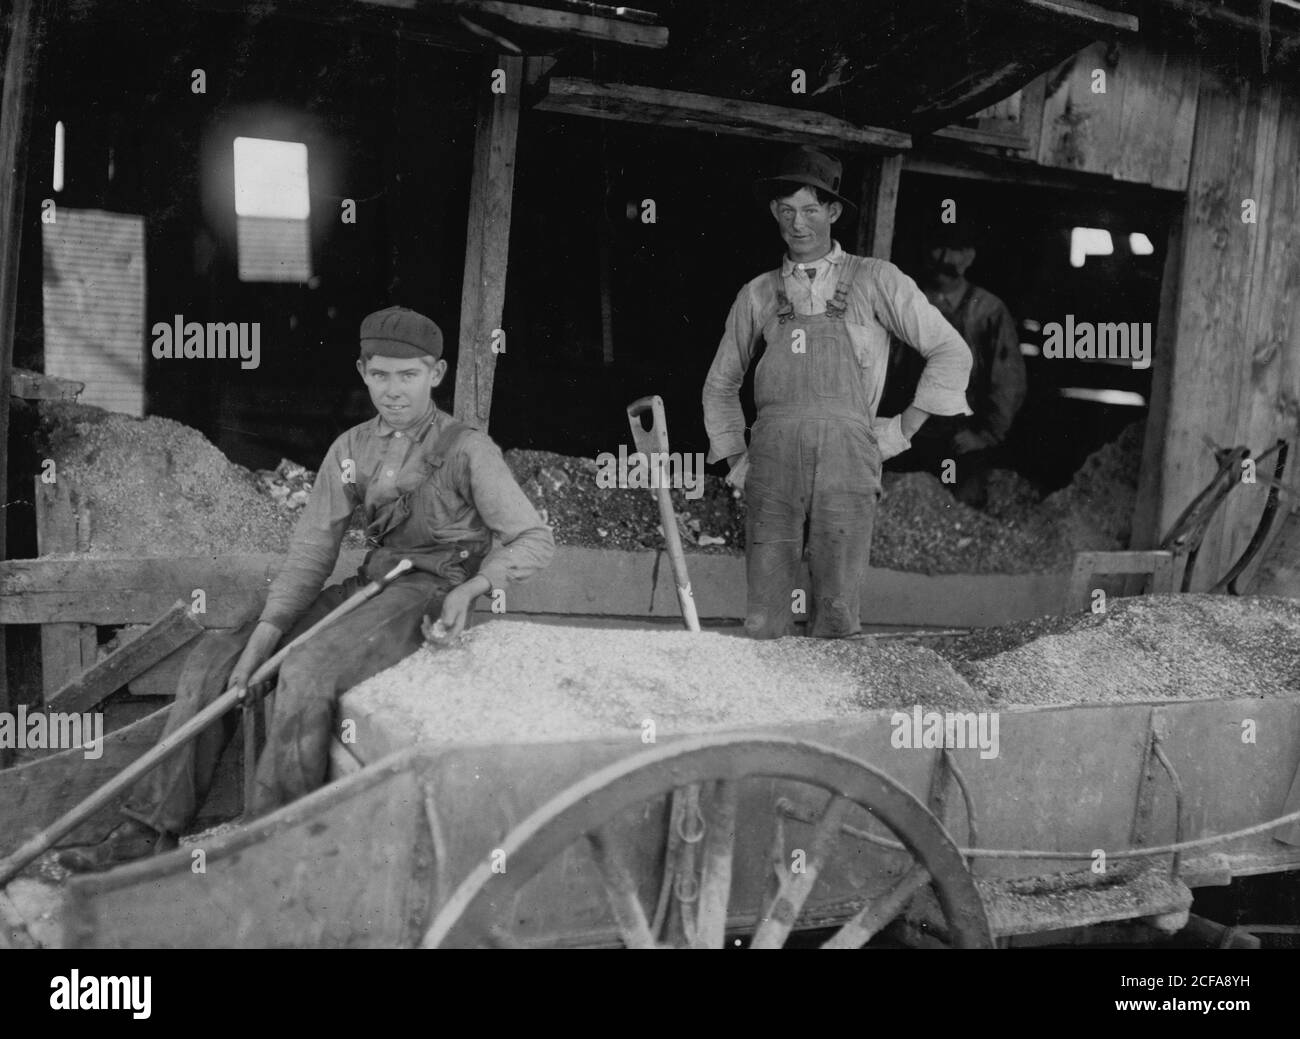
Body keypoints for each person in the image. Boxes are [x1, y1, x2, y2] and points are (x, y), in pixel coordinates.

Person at [61, 306, 555, 872]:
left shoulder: (468, 450)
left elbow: (532, 539)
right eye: (381, 375)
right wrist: (263, 636)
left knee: (307, 672)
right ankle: (147, 831)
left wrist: (475, 590)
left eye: (409, 375)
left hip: (430, 588)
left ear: (436, 374)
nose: (393, 391)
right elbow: (313, 552)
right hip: (374, 578)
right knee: (215, 660)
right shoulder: (350, 450)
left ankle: (272, 844)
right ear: (363, 372)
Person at [702, 146, 972, 640]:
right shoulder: (758, 294)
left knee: (837, 614)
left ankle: (833, 708)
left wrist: (899, 431)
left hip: (848, 459)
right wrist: (737, 457)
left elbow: (951, 351)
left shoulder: (875, 280)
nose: (797, 224)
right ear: (773, 213)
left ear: (832, 211)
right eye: (786, 211)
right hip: (773, 461)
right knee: (763, 618)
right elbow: (720, 384)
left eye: (809, 210)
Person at [904, 225, 1027, 508]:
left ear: (970, 256)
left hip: (961, 440)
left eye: (957, 250)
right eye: (938, 247)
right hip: (910, 436)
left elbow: (1008, 380)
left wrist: (985, 434)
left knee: (958, 516)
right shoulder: (908, 302)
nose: (946, 258)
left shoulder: (988, 311)